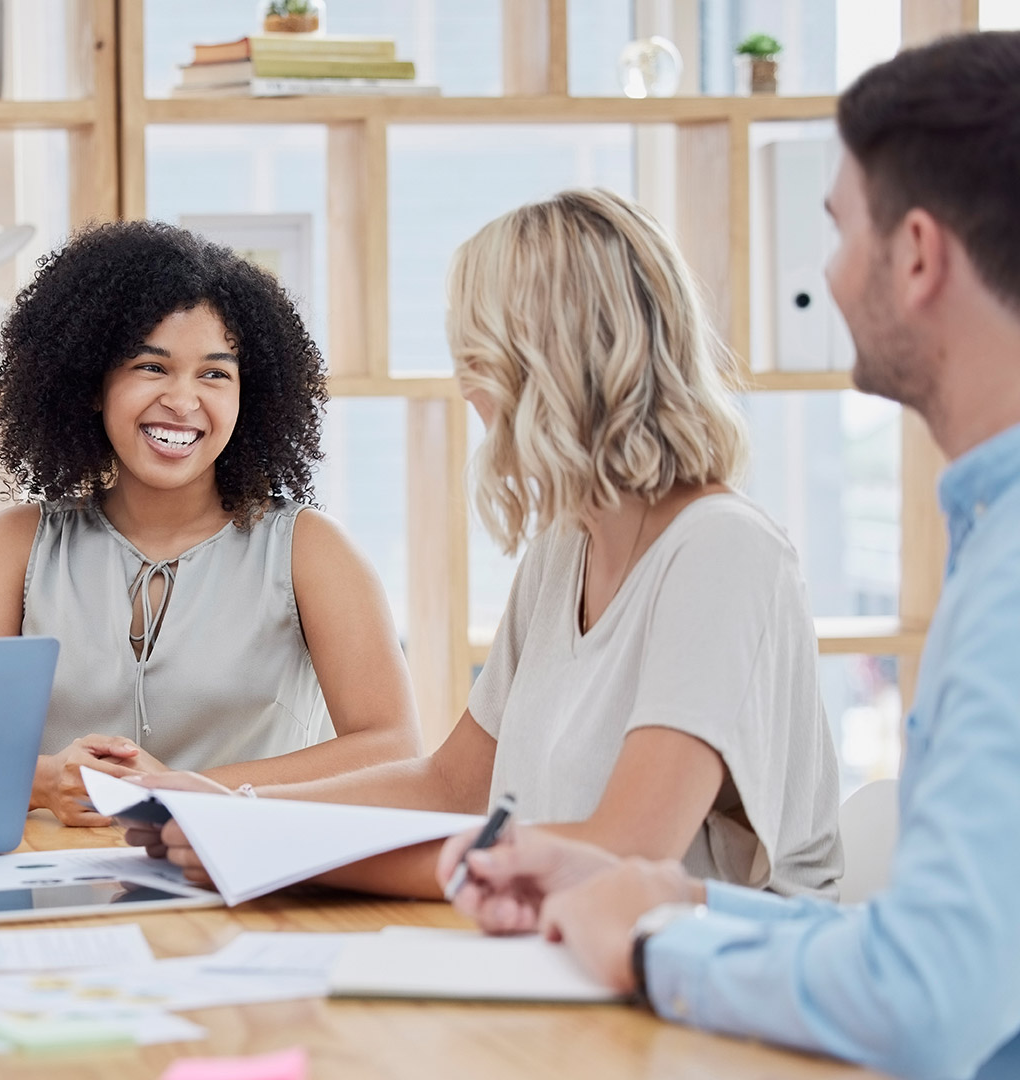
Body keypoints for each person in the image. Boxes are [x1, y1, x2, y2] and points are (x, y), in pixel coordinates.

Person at [428, 32, 1020, 1080]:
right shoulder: (987, 539)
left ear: (918, 253)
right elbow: (929, 958)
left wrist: (657, 941)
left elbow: (931, 1000)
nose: (826, 279)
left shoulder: (1001, 574)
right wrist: (681, 907)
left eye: (839, 231)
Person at [135, 189, 843, 896]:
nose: (466, 387)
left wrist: (276, 850)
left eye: (474, 355)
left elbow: (625, 852)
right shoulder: (569, 546)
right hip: (574, 952)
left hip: (721, 982)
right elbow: (451, 786)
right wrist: (228, 814)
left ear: (542, 367)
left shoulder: (722, 554)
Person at [0, 221, 422, 827]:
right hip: (58, 893)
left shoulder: (310, 551)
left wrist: (175, 791)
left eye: (215, 373)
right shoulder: (16, 546)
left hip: (247, 891)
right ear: (93, 383)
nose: (183, 400)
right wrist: (44, 781)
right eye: (151, 366)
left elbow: (393, 748)